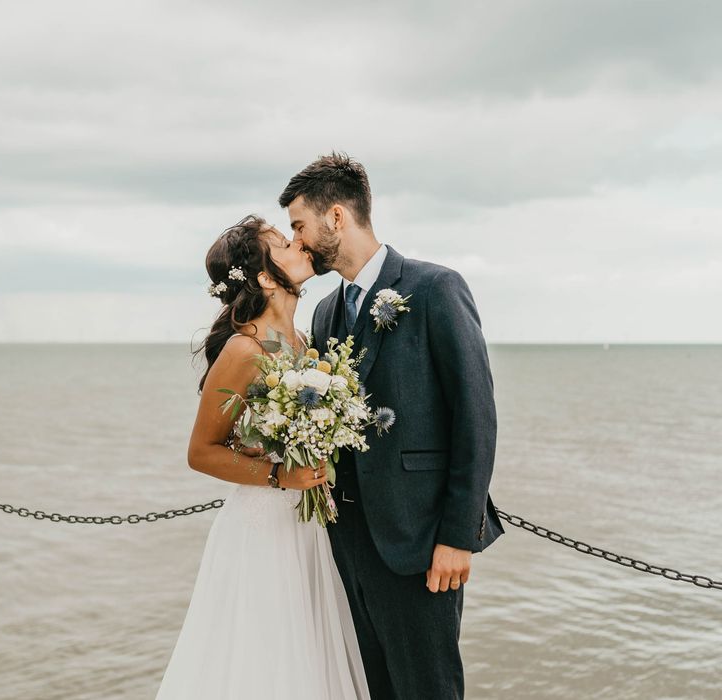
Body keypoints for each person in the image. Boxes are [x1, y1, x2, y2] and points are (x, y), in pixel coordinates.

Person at [279, 152, 505, 700]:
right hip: (349, 546)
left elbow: (476, 417)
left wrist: (458, 537)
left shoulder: (435, 289)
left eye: (299, 225)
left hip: (421, 542)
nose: (299, 240)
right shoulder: (326, 312)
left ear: (336, 217)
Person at [154, 214, 371, 699]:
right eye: (284, 242)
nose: (299, 243)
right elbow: (200, 452)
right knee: (267, 660)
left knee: (312, 657)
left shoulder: (303, 342)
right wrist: (278, 475)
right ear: (268, 278)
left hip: (311, 528)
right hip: (265, 528)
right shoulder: (243, 349)